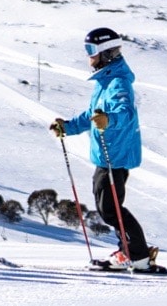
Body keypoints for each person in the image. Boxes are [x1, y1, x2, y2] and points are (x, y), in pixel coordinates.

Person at [51, 27, 158, 270]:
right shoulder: (105, 80)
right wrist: (67, 127)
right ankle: (130, 252)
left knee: (110, 210)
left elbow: (126, 113)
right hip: (106, 155)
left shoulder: (118, 83)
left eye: (91, 51)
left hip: (116, 156)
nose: (88, 57)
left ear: (106, 53)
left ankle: (137, 255)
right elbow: (92, 115)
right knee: (108, 208)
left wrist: (108, 120)